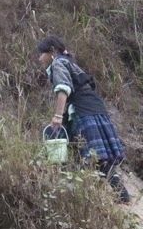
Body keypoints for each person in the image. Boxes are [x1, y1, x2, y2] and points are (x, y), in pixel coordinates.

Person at [37, 36, 129, 203]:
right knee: (94, 156)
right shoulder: (70, 61)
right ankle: (118, 195)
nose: (39, 58)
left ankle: (102, 197)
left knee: (92, 156)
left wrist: (58, 116)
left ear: (51, 52)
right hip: (94, 108)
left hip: (83, 111)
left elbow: (63, 89)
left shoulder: (58, 63)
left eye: (41, 54)